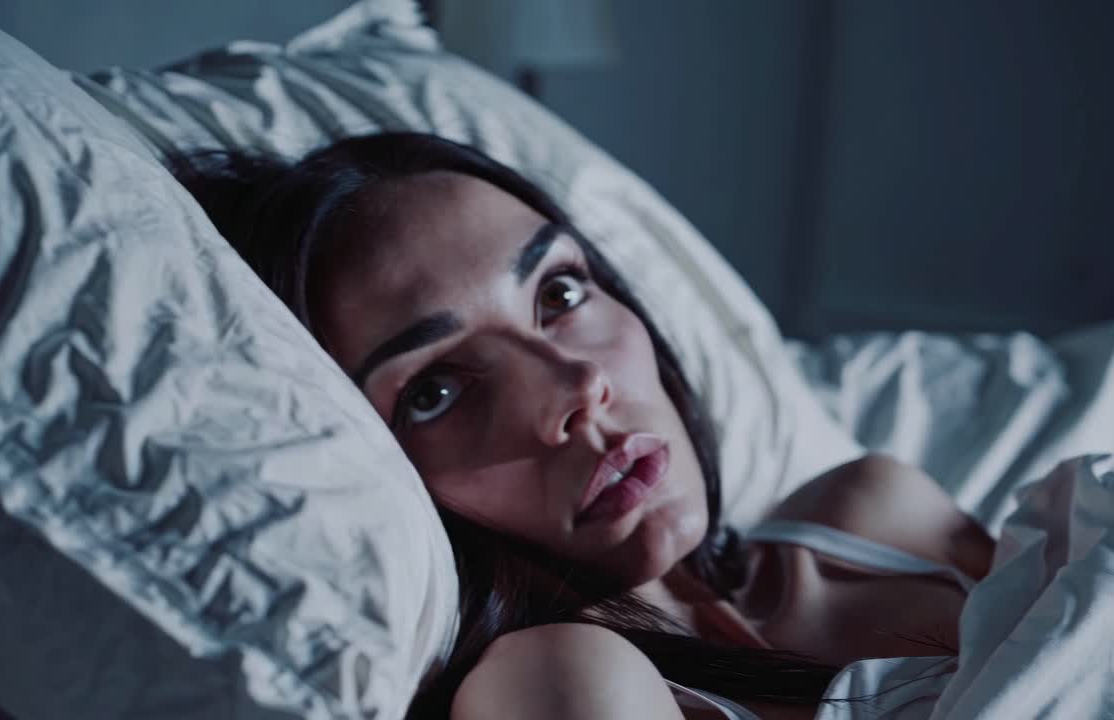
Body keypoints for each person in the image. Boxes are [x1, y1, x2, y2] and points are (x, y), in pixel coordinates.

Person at [172, 133, 997, 720]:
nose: (579, 387)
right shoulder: (558, 682)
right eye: (435, 391)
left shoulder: (877, 510)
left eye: (560, 294)